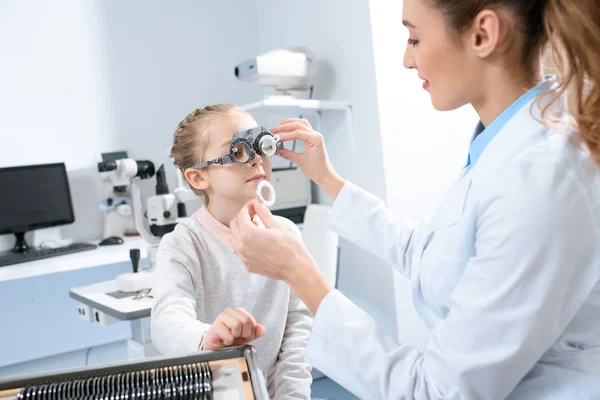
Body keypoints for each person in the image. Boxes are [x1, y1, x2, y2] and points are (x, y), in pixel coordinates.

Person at [228, 0, 600, 399]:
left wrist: (299, 272)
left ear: (483, 35)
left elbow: (437, 392)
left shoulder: (539, 178)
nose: (407, 59)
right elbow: (433, 254)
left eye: (415, 38)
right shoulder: (506, 142)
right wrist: (327, 178)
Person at [150, 104, 313, 399]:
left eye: (260, 146)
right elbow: (165, 320)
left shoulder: (285, 233)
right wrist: (206, 337)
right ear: (198, 177)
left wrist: (292, 394)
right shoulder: (184, 244)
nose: (257, 161)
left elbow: (297, 329)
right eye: (238, 151)